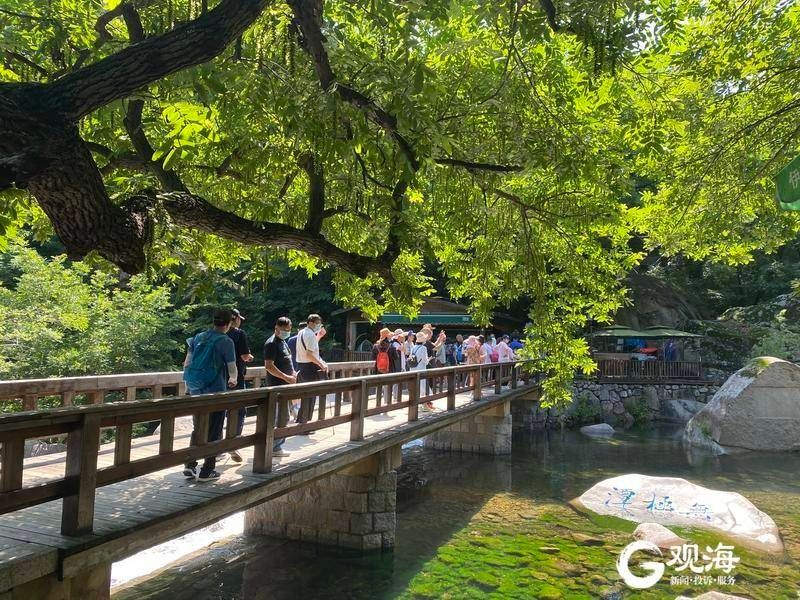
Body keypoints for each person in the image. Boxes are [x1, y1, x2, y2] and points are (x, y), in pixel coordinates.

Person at [182, 309, 237, 482]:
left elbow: (187, 363)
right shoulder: (225, 341)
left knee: (198, 427)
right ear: (228, 324)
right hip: (215, 390)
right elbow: (232, 367)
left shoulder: (199, 337)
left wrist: (188, 385)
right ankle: (207, 470)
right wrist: (233, 379)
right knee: (214, 429)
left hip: (196, 388)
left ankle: (190, 465)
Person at [263, 317, 296, 457]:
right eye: (284, 330)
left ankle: (277, 445)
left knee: (285, 416)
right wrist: (286, 377)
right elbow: (269, 366)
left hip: (286, 386)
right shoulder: (271, 344)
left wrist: (293, 373)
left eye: (289, 330)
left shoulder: (283, 342)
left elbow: (288, 359)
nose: (287, 332)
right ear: (277, 328)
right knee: (280, 417)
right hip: (277, 386)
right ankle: (274, 447)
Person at [226, 308, 253, 463]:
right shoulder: (239, 334)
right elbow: (244, 355)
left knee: (218, 411)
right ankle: (233, 442)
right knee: (239, 410)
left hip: (217, 378)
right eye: (239, 318)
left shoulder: (215, 334)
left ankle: (215, 446)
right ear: (235, 319)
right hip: (235, 378)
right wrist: (249, 358)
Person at [295, 313, 328, 425]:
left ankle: (302, 421)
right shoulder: (310, 335)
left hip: (302, 366)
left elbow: (311, 348)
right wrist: (321, 364)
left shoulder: (302, 332)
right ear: (310, 323)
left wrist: (319, 336)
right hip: (309, 367)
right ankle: (304, 423)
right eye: (318, 323)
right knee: (310, 396)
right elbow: (309, 354)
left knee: (307, 396)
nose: (319, 326)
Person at [407, 331, 430, 410]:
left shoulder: (413, 347)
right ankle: (423, 405)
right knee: (422, 387)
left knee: (415, 387)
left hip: (413, 368)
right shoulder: (423, 348)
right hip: (420, 369)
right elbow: (424, 360)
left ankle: (415, 404)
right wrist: (428, 360)